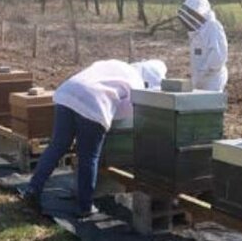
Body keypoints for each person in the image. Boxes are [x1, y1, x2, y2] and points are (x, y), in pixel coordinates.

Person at [20, 59, 167, 217]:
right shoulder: (136, 82)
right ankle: (85, 206)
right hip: (94, 104)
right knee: (88, 157)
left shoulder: (114, 64)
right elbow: (127, 115)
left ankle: (33, 189)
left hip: (66, 94)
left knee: (57, 146)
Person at [177, 0, 228, 92]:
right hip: (199, 79)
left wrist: (204, 70)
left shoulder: (213, 27)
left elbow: (218, 57)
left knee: (209, 105)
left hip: (212, 80)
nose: (191, 19)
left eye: (193, 14)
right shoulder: (197, 32)